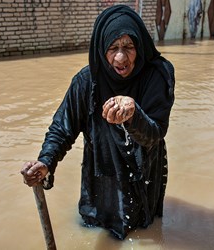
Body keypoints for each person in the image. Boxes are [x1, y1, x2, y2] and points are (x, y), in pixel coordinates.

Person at [21, 4, 175, 240]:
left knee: (145, 231)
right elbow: (63, 127)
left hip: (144, 171)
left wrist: (134, 114)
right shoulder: (86, 81)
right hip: (101, 174)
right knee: (96, 225)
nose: (121, 57)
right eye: (113, 48)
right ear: (101, 48)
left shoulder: (156, 75)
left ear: (140, 47)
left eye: (129, 47)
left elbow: (155, 133)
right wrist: (46, 162)